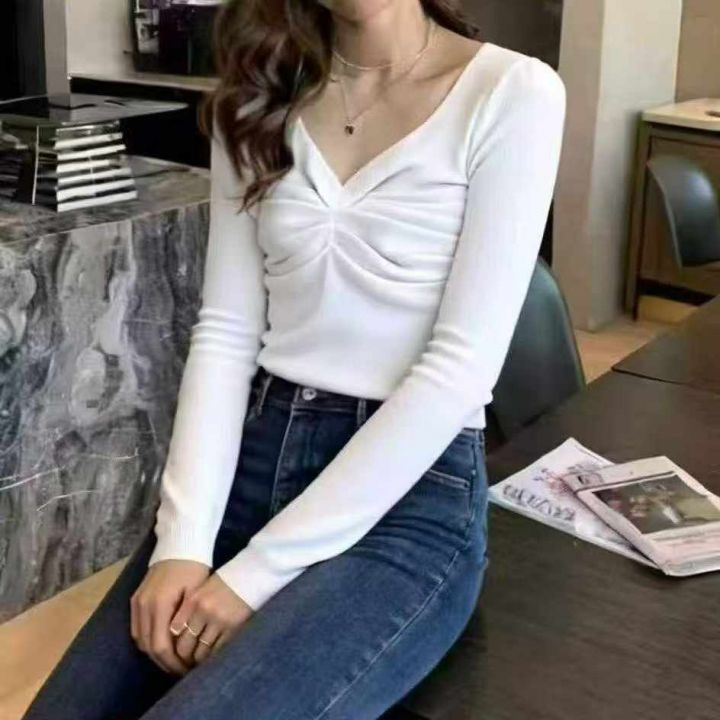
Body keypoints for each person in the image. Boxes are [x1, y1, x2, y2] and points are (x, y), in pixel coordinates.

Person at [21, 1, 566, 718]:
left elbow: (459, 370)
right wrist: (182, 543)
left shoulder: (512, 92)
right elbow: (225, 332)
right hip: (251, 461)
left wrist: (253, 576)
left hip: (406, 500)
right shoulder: (257, 96)